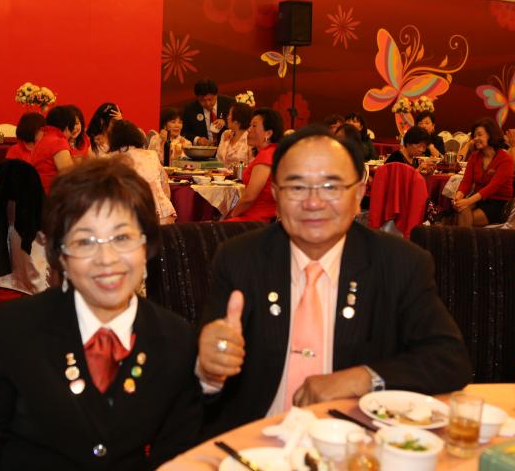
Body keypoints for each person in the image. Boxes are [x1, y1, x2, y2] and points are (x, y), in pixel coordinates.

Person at [0, 159, 202, 469]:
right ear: (60, 256)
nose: (106, 259)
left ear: (146, 245)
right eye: (85, 242)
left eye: (122, 238)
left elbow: (177, 455)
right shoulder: (14, 329)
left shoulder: (176, 338)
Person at [197, 124, 471, 437]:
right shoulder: (240, 259)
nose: (314, 202)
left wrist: (362, 378)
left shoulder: (399, 263)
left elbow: (449, 358)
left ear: (357, 195)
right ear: (275, 194)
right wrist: (208, 368)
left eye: (331, 187)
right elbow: (205, 373)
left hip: (355, 444)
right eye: (297, 187)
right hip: (256, 443)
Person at [110, 120, 176, 224]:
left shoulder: (116, 159)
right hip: (165, 213)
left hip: (138, 216)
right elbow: (165, 185)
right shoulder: (152, 154)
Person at [224, 108, 283, 221]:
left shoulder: (267, 155)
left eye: (254, 126)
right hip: (260, 215)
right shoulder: (272, 152)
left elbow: (249, 197)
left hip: (256, 219)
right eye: (250, 125)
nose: (249, 130)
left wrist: (231, 215)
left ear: (268, 133)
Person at [453, 118, 514, 227]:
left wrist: (468, 201)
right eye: (474, 136)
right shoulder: (474, 156)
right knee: (461, 209)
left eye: (480, 135)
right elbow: (466, 181)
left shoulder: (505, 159)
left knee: (463, 217)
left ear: (491, 135)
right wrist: (458, 196)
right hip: (479, 199)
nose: (476, 138)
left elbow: (492, 187)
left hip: (498, 203)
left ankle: (461, 237)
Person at [30, 109, 74, 194]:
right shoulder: (58, 141)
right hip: (51, 195)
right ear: (67, 128)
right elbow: (69, 176)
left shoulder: (41, 139)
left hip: (36, 193)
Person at [181, 79, 234, 146]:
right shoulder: (190, 109)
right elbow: (184, 133)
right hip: (203, 151)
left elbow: (240, 126)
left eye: (210, 99)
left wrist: (225, 122)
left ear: (216, 95)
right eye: (202, 100)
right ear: (197, 98)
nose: (207, 104)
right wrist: (197, 139)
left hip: (227, 148)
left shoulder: (229, 104)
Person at [216, 102, 253, 167]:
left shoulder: (250, 138)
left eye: (229, 115)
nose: (227, 117)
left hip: (241, 173)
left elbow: (252, 164)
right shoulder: (225, 134)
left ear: (236, 121)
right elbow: (218, 159)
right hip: (220, 173)